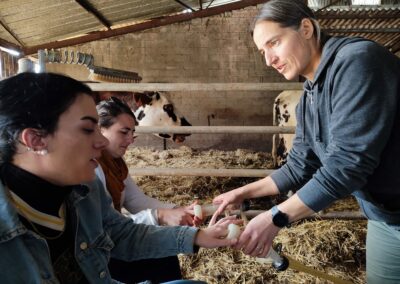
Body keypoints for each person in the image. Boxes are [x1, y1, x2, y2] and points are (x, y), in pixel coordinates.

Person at [211, 0, 400, 283]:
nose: (268, 60)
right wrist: (243, 193)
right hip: (386, 217)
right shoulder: (310, 97)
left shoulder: (358, 61)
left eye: (274, 43)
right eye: (263, 51)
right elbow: (299, 165)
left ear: (306, 28)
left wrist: (275, 217)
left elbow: (347, 165)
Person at [0, 72, 240, 283]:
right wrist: (163, 216)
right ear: (35, 140)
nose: (101, 141)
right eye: (87, 129)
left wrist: (198, 236)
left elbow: (121, 233)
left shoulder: (85, 189)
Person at [95, 96, 201, 283]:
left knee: (165, 254)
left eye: (132, 133)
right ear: (100, 130)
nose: (131, 140)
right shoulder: (93, 167)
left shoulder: (116, 162)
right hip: (101, 257)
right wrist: (159, 216)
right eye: (124, 132)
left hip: (114, 245)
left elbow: (136, 200)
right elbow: (109, 228)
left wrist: (177, 210)